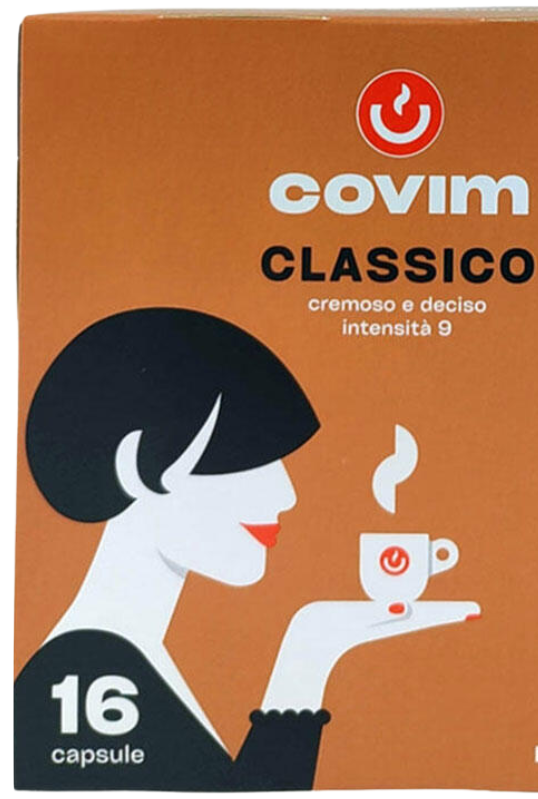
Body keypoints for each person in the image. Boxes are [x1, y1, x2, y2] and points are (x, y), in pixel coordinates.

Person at [14, 307, 478, 791]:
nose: (286, 494)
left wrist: (311, 646)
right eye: (248, 460)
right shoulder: (90, 673)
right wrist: (306, 656)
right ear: (136, 465)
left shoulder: (123, 656)